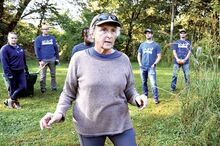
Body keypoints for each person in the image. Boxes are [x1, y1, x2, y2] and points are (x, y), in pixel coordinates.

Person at [39, 13, 148, 146]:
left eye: (113, 30)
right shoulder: (79, 58)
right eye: (103, 30)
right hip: (89, 126)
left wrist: (137, 98)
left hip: (120, 123)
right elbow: (68, 93)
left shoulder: (123, 59)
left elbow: (129, 89)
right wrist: (58, 113)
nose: (109, 35)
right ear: (92, 33)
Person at [0, 32, 29, 109]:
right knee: (13, 89)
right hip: (11, 71)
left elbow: (24, 60)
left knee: (23, 87)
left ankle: (9, 100)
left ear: (17, 39)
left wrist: (26, 70)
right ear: (8, 38)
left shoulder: (20, 48)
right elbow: (4, 63)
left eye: (15, 38)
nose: (14, 39)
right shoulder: (4, 49)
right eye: (12, 38)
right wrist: (8, 74)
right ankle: (15, 103)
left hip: (21, 71)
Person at [137, 29, 161, 104]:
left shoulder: (156, 45)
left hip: (151, 67)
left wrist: (154, 64)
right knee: (144, 82)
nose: (148, 34)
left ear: (152, 35)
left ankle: (155, 98)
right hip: (143, 67)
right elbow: (139, 55)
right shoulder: (142, 44)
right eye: (146, 33)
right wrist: (140, 64)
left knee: (153, 83)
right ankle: (145, 95)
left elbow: (159, 56)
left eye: (149, 33)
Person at [34, 24, 60, 93]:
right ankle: (43, 88)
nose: (46, 30)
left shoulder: (52, 38)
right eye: (44, 29)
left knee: (53, 74)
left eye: (47, 29)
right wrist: (40, 60)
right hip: (43, 60)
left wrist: (57, 58)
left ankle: (54, 87)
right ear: (42, 30)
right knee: (43, 75)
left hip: (52, 58)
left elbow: (56, 48)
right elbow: (37, 50)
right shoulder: (38, 39)